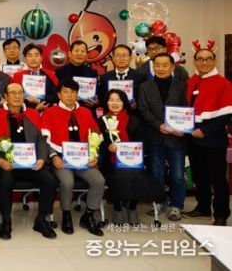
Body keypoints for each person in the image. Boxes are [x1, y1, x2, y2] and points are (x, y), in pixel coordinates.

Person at [0, 82, 58, 239]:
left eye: (20, 92)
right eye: (13, 93)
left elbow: (41, 140)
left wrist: (42, 158)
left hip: (31, 163)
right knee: (5, 181)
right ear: (5, 96)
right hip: (7, 164)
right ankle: (6, 221)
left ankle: (41, 219)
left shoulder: (33, 114)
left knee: (50, 180)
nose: (17, 96)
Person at [41, 79, 105, 236]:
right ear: (59, 94)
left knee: (99, 181)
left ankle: (88, 215)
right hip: (61, 158)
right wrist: (53, 156)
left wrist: (94, 156)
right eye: (65, 92)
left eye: (73, 92)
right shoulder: (50, 112)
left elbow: (95, 137)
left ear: (77, 94)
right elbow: (45, 139)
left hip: (83, 159)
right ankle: (66, 215)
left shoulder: (85, 112)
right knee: (67, 181)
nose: (69, 96)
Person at [184, 45, 232, 226]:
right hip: (192, 136)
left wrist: (205, 131)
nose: (204, 62)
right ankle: (203, 207)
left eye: (208, 59)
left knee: (217, 178)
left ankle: (221, 214)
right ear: (195, 62)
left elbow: (227, 115)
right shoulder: (192, 81)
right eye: (200, 59)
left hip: (213, 138)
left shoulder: (223, 83)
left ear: (214, 61)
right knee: (199, 176)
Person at [138, 53, 187, 221]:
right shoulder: (145, 86)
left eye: (165, 65)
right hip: (155, 136)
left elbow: (187, 108)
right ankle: (159, 202)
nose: (160, 68)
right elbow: (143, 109)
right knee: (156, 173)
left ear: (172, 67)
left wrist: (183, 128)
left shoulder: (182, 86)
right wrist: (159, 125)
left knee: (178, 175)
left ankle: (177, 205)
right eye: (157, 65)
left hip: (177, 137)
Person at [97, 89, 145, 226]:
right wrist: (108, 146)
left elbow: (142, 142)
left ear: (124, 102)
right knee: (116, 175)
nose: (115, 103)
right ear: (106, 103)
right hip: (110, 160)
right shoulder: (102, 121)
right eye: (111, 100)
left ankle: (132, 208)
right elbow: (97, 142)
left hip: (132, 161)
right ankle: (117, 208)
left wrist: (131, 150)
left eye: (118, 100)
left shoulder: (134, 120)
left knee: (137, 175)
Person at [11, 44, 59, 111]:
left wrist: (38, 101)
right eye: (30, 55)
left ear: (41, 58)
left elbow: (56, 96)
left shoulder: (50, 74)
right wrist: (34, 109)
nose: (33, 59)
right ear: (25, 59)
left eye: (36, 55)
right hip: (25, 113)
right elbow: (14, 97)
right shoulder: (18, 76)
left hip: (47, 111)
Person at [97, 44, 145, 111]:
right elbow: (102, 98)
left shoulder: (140, 77)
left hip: (132, 114)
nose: (121, 58)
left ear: (130, 58)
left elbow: (143, 98)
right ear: (113, 59)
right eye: (118, 55)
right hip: (110, 114)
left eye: (124, 55)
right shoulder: (104, 77)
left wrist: (137, 105)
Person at [55, 40, 99, 107]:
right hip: (66, 109)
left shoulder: (93, 73)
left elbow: (98, 94)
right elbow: (56, 94)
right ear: (69, 54)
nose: (79, 54)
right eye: (76, 51)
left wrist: (97, 102)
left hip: (87, 109)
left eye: (83, 51)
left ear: (87, 55)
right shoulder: (59, 72)